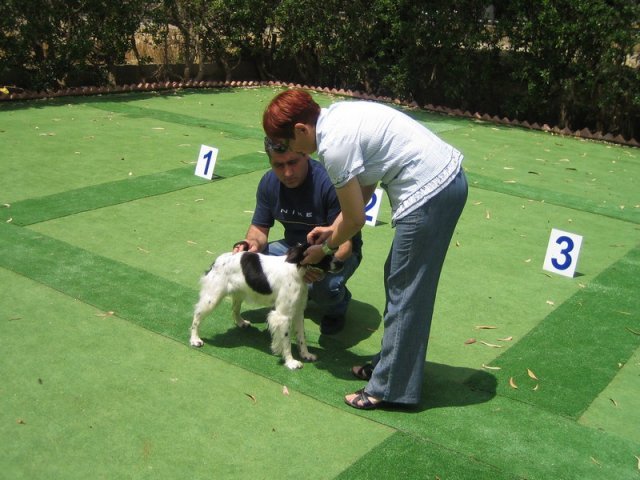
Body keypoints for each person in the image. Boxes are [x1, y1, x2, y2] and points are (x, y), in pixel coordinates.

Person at [262, 89, 468, 410]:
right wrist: (332, 230)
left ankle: (388, 388)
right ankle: (391, 364)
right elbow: (364, 192)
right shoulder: (339, 117)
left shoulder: (332, 146)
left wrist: (326, 247)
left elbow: (357, 219)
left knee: (406, 287)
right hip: (443, 182)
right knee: (398, 278)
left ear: (301, 130)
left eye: (287, 144)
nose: (290, 152)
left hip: (431, 191)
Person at [232, 137, 362, 334]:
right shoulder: (269, 182)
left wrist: (319, 269)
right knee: (255, 260)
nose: (287, 173)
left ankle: (337, 307)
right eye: (279, 165)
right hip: (293, 249)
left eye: (293, 162)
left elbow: (345, 247)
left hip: (334, 251)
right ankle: (301, 291)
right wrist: (250, 244)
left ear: (306, 155)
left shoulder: (328, 182)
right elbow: (258, 230)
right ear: (270, 163)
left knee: (325, 287)